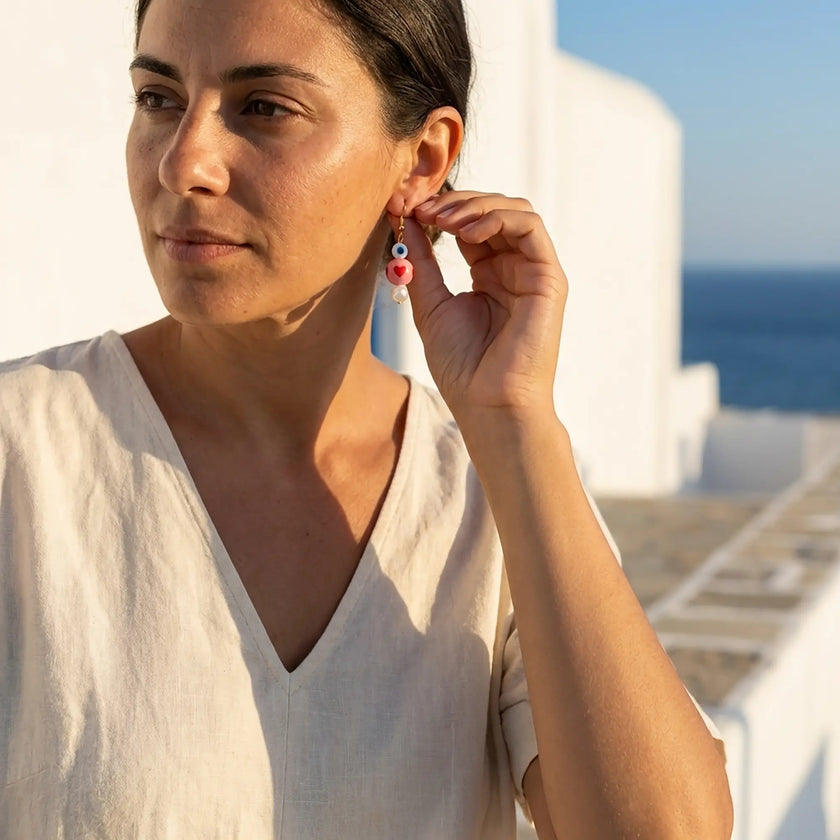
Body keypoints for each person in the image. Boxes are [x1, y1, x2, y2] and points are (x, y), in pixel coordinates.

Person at [0, 0, 733, 837]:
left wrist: (515, 422)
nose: (184, 164)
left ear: (422, 158)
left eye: (265, 107)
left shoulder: (486, 503)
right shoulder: (23, 455)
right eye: (158, 99)